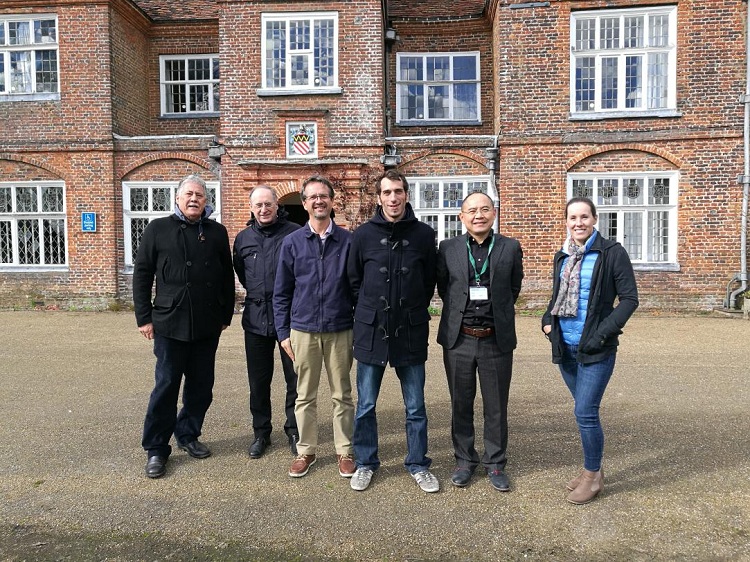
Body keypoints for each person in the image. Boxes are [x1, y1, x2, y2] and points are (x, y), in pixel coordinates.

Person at [133, 174, 235, 479]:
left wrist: (225, 314)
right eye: (188, 194)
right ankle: (156, 448)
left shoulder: (216, 232)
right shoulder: (157, 229)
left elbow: (226, 276)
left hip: (206, 323)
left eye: (199, 195)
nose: (194, 199)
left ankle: (188, 434)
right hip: (169, 322)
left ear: (206, 201)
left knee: (201, 387)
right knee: (166, 386)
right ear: (177, 199)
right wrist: (144, 317)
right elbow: (142, 274)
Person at [542, 196, 638, 504]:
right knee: (584, 412)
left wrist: (601, 334)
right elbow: (556, 296)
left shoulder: (612, 253)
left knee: (585, 412)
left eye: (584, 216)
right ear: (566, 222)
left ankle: (592, 475)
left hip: (596, 349)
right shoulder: (562, 255)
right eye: (573, 217)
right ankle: (592, 470)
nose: (578, 222)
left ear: (595, 219)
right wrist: (547, 323)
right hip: (565, 348)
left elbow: (629, 300)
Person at [347, 170, 439, 493]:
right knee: (366, 405)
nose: (393, 198)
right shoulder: (362, 235)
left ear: (406, 194)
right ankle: (365, 462)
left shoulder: (424, 235)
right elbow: (353, 281)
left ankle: (418, 463)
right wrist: (370, 311)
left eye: (398, 191)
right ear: (379, 197)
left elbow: (429, 281)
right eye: (387, 192)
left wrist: (410, 309)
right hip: (371, 331)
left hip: (410, 331)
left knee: (415, 406)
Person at [436, 191, 524, 491]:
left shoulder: (510, 247)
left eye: (484, 209)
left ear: (494, 213)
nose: (478, 215)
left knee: (496, 405)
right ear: (461, 216)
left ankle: (495, 462)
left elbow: (513, 288)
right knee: (460, 403)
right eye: (472, 210)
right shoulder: (448, 248)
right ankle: (464, 460)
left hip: (495, 340)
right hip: (459, 339)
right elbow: (445, 288)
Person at [273, 175, 356, 479]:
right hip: (303, 330)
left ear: (332, 201)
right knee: (304, 395)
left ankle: (344, 450)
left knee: (342, 394)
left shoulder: (348, 241)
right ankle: (306, 450)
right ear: (305, 203)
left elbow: (357, 289)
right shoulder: (292, 243)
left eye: (324, 196)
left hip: (340, 328)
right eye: (313, 197)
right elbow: (281, 293)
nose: (319, 201)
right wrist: (283, 333)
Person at [233, 186, 300, 459]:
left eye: (268, 204)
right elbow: (241, 271)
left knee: (295, 379)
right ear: (251, 208)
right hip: (256, 319)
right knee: (258, 381)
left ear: (277, 205)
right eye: (258, 205)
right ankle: (261, 432)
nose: (263, 209)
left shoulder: (295, 234)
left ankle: (294, 430)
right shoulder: (243, 239)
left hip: (290, 318)